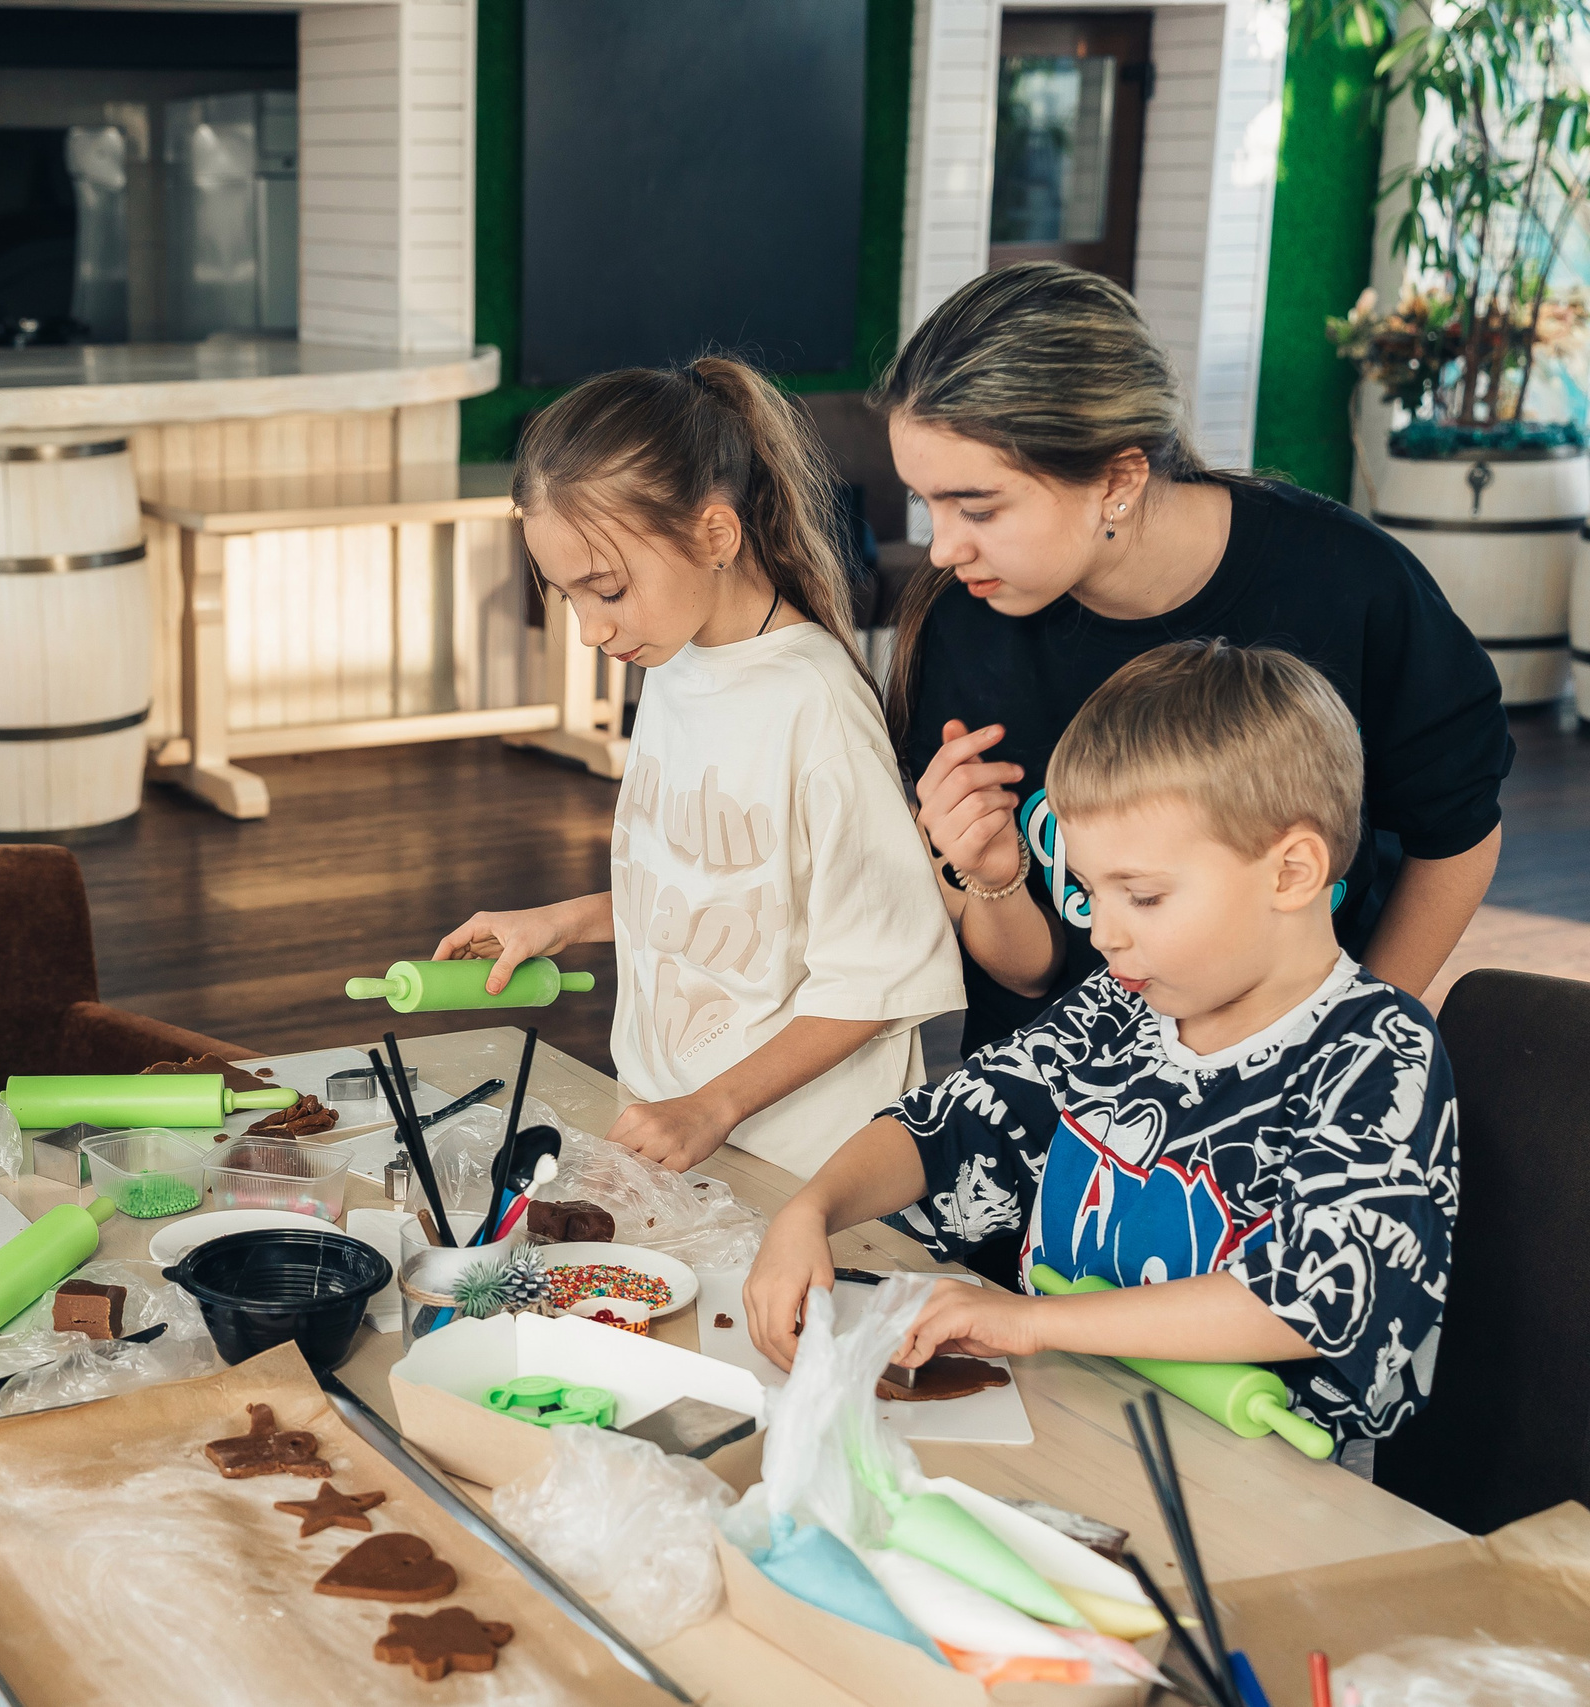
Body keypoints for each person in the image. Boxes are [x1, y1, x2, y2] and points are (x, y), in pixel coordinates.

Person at [743, 642, 1459, 1469]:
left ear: (1292, 872)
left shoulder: (1378, 1053)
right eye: (1088, 892)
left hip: (1262, 1480)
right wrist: (810, 1211)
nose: (1104, 932)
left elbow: (1314, 1296)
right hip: (1067, 1424)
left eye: (1143, 895)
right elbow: (957, 1121)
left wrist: (1031, 1322)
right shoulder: (1120, 1007)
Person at [883, 262, 1510, 1057]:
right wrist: (991, 877)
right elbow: (1030, 977)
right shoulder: (960, 626)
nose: (942, 547)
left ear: (1117, 477)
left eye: (977, 507)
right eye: (925, 502)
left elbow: (1455, 835)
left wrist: (1348, 1034)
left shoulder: (1351, 584)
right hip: (1051, 1092)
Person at [434, 359, 963, 1176]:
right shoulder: (676, 659)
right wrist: (563, 922)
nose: (589, 630)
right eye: (569, 597)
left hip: (796, 1165)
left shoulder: (815, 703)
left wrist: (713, 1105)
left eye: (607, 589)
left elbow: (879, 975)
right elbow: (726, 895)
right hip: (671, 1129)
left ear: (716, 536)